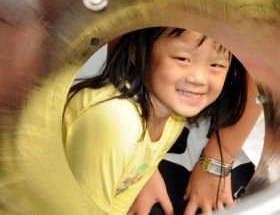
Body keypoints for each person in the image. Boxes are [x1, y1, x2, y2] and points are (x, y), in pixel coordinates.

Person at [62, 27, 249, 214]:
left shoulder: (173, 117)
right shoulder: (114, 121)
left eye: (216, 65)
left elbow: (120, 200)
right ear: (136, 51)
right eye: (183, 59)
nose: (199, 79)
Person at [128, 73, 263, 215]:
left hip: (242, 138)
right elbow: (125, 59)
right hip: (146, 118)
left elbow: (263, 72)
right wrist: (142, 166)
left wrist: (217, 162)